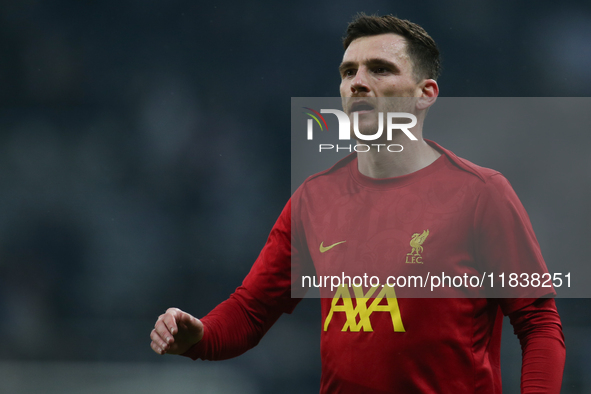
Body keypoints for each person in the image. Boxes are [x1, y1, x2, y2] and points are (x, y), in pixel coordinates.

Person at [150, 14, 566, 393]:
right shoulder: (315, 198)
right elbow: (252, 311)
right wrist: (200, 337)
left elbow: (539, 326)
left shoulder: (480, 194)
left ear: (425, 93)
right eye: (349, 72)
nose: (358, 81)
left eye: (380, 69)